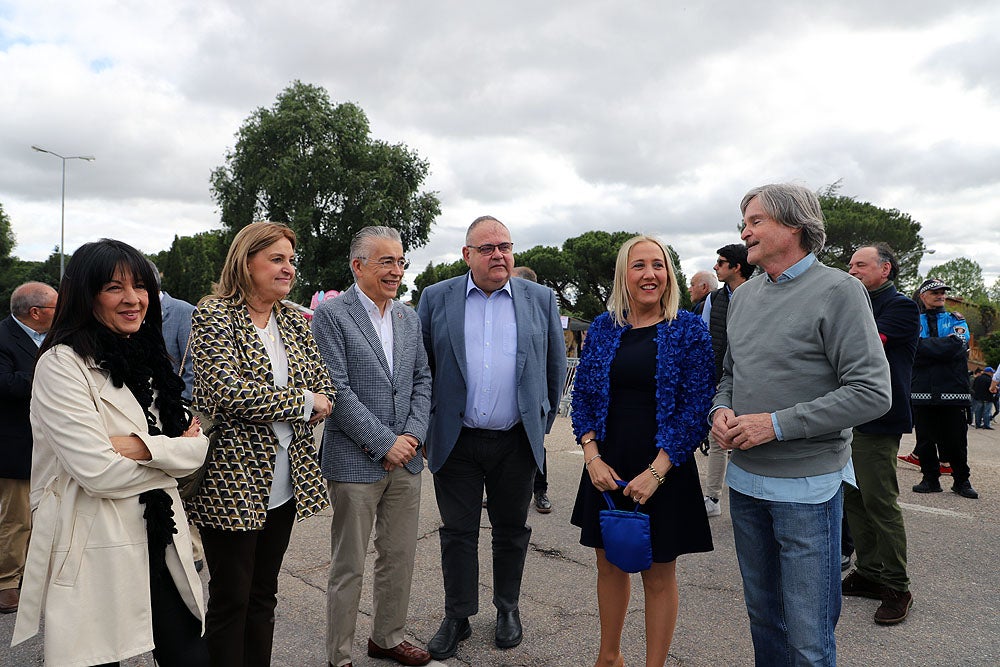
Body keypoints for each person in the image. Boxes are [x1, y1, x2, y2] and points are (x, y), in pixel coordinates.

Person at [711, 183, 891, 666]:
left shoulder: (840, 290)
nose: (745, 231)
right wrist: (720, 411)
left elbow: (872, 392)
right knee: (764, 620)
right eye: (743, 222)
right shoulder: (743, 297)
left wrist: (776, 425)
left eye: (755, 221)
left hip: (806, 493)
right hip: (745, 486)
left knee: (809, 639)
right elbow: (730, 374)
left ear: (793, 226)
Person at [11, 240, 209, 666]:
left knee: (189, 653)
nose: (133, 298)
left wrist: (138, 449)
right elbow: (97, 471)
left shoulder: (150, 358)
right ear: (86, 294)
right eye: (114, 288)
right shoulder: (62, 364)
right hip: (95, 539)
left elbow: (199, 449)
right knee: (96, 657)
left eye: (140, 286)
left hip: (160, 531)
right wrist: (169, 458)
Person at [185, 221, 335, 667]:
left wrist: (304, 399)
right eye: (277, 259)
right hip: (230, 480)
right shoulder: (214, 313)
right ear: (246, 262)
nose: (288, 269)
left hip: (286, 480)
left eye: (291, 260)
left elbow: (324, 386)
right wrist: (303, 401)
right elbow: (227, 392)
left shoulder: (292, 317)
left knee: (264, 595)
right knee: (231, 597)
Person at [417, 215, 566, 660]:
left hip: (516, 441)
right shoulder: (436, 297)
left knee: (511, 530)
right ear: (467, 255)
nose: (499, 254)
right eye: (488, 248)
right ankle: (458, 615)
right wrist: (425, 429)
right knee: (457, 533)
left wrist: (540, 427)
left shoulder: (539, 299)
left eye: (505, 246)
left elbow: (555, 369)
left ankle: (507, 609)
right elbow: (421, 369)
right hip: (456, 440)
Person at [571, 235, 715, 667]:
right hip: (607, 465)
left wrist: (657, 471)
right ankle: (608, 657)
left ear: (668, 274)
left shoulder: (688, 329)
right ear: (624, 275)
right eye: (639, 266)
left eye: (658, 265)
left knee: (658, 573)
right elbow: (583, 398)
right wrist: (591, 456)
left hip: (665, 465)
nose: (650, 274)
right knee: (610, 566)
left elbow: (695, 406)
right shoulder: (602, 327)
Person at [311, 226, 432, 667]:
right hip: (355, 463)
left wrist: (412, 438)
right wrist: (385, 444)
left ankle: (387, 638)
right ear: (357, 265)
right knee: (350, 565)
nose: (396, 271)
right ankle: (339, 655)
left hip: (407, 462)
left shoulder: (407, 316)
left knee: (398, 557)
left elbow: (422, 379)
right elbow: (335, 390)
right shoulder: (332, 315)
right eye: (386, 261)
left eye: (400, 262)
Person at [842, 243, 920, 625]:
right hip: (848, 416)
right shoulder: (858, 302)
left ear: (885, 270)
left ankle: (897, 586)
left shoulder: (901, 307)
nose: (851, 270)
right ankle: (870, 573)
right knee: (854, 499)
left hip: (879, 418)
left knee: (880, 502)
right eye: (850, 264)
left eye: (860, 264)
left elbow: (866, 343)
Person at [0, 282, 57, 615]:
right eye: (55, 308)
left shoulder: (54, 337)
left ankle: (31, 578)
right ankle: (6, 583)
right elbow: (4, 384)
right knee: (16, 519)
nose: (60, 313)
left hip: (49, 446)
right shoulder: (3, 337)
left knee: (45, 517)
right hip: (15, 446)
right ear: (35, 313)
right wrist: (49, 376)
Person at [909, 278, 978, 499]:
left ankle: (961, 480)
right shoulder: (913, 320)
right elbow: (913, 349)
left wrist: (927, 346)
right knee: (925, 439)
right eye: (934, 292)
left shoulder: (956, 319)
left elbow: (958, 346)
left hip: (953, 390)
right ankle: (930, 479)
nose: (940, 295)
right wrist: (941, 346)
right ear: (923, 296)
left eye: (942, 292)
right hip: (922, 389)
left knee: (956, 439)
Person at [700, 243, 754, 518]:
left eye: (721, 262)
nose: (715, 267)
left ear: (736, 266)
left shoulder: (761, 293)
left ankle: (752, 503)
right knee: (718, 439)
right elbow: (704, 338)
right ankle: (712, 497)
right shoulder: (712, 300)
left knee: (750, 441)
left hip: (754, 382)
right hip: (720, 381)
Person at [511, 265, 554, 514]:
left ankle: (541, 491)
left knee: (537, 448)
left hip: (534, 402)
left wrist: (546, 407)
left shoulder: (541, 310)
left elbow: (553, 363)